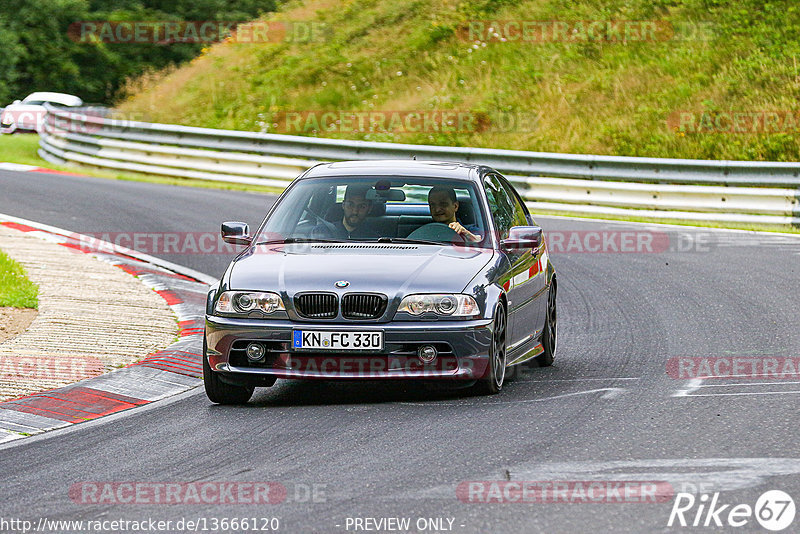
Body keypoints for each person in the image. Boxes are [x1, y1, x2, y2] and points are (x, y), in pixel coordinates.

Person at [312, 184, 379, 239]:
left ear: (369, 209)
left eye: (362, 206)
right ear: (343, 205)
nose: (355, 211)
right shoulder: (321, 232)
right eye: (350, 204)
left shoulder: (373, 239)